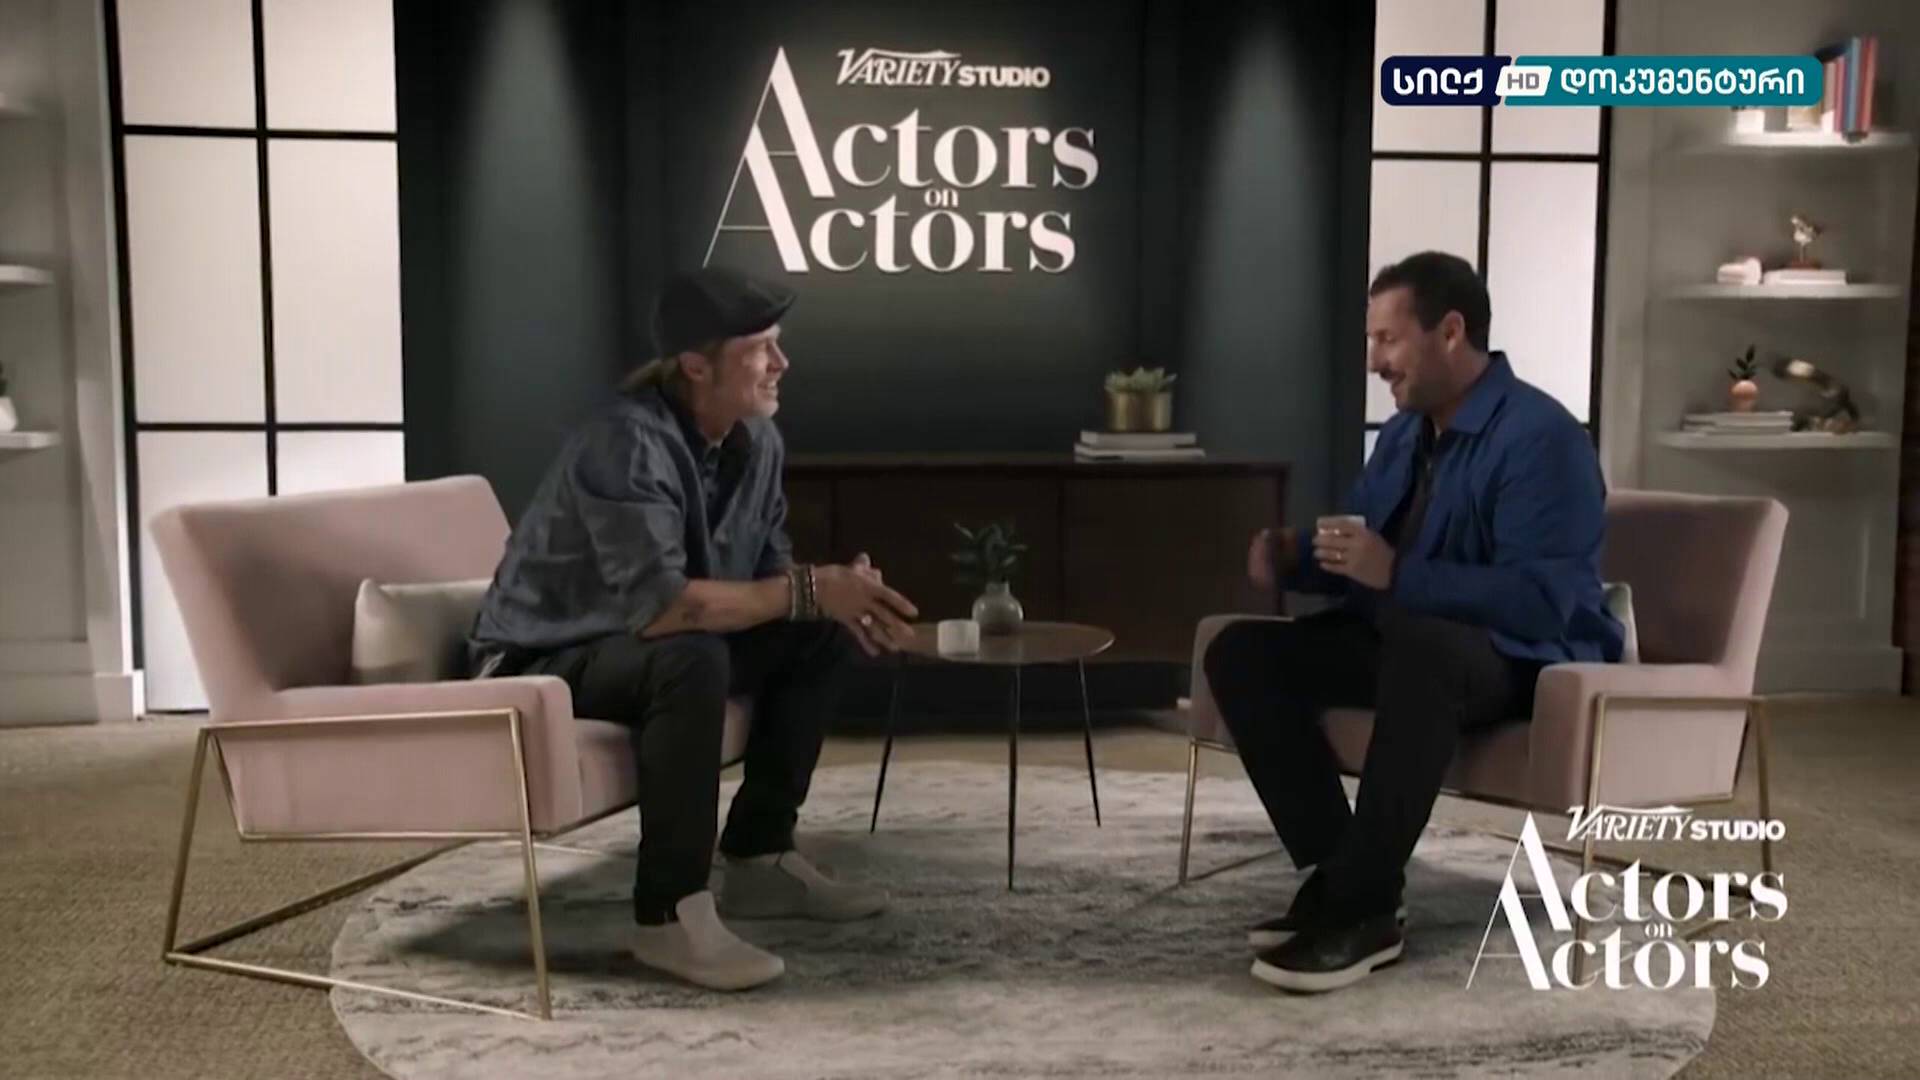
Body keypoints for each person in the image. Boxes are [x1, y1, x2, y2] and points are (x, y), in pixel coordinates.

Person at [468, 266, 921, 992]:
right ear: (695, 365)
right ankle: (668, 915)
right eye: (761, 348)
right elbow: (664, 609)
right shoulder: (624, 442)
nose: (782, 363)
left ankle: (760, 859)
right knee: (691, 657)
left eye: (778, 343)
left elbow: (772, 582)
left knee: (816, 635)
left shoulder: (757, 442)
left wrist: (841, 597)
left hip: (642, 645)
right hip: (540, 660)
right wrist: (811, 590)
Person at [1204, 251, 1622, 994]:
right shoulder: (1405, 435)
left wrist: (1396, 574)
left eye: (1388, 340)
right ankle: (1346, 876)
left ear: (1451, 332)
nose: (1375, 362)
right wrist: (1294, 559)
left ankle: (1359, 910)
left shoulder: (1543, 439)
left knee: (1423, 649)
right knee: (1241, 652)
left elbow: (1545, 602)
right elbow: (1364, 554)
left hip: (1523, 659)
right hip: (1408, 641)